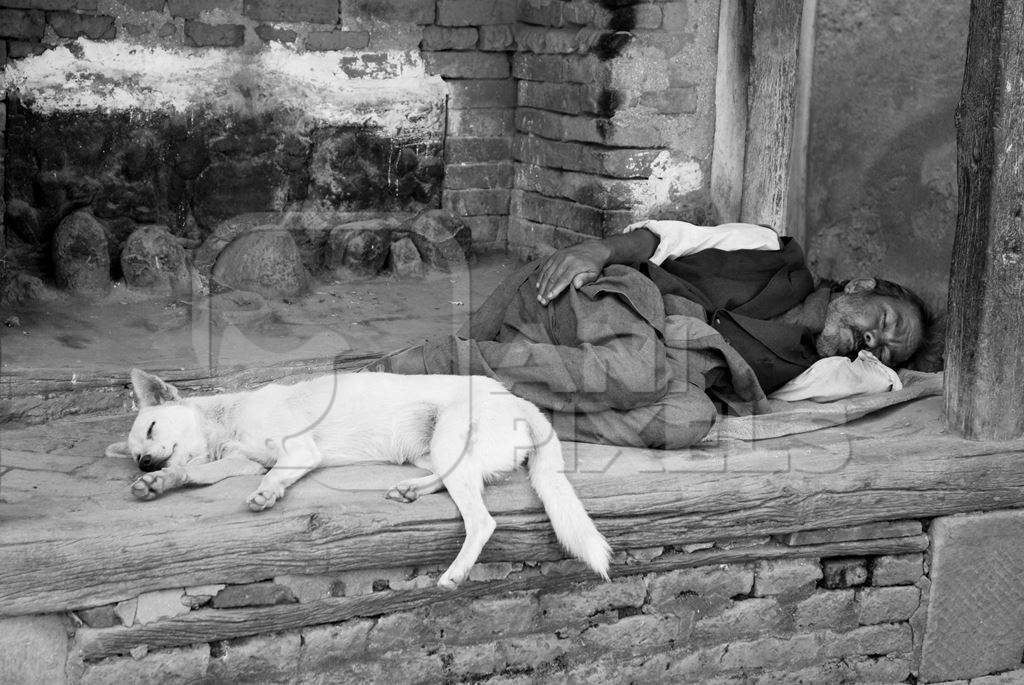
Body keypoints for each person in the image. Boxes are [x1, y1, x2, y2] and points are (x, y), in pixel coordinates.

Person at [369, 220, 931, 449]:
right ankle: (440, 363)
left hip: (638, 366)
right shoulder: (769, 249)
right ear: (859, 285)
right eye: (883, 322)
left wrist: (883, 366)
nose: (873, 341)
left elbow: (884, 382)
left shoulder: (816, 371)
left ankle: (495, 402)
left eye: (885, 349)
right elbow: (668, 237)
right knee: (641, 371)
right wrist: (597, 250)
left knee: (688, 421)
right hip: (616, 299)